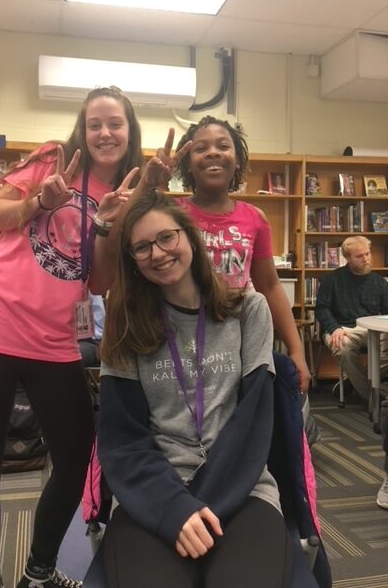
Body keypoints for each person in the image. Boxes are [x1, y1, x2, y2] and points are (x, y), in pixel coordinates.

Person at [0, 85, 144, 588]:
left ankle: (38, 571)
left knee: (77, 455)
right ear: (83, 127)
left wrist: (106, 226)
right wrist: (39, 200)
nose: (104, 132)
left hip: (53, 339)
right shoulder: (54, 159)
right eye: (95, 123)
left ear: (129, 131)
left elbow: (97, 282)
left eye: (115, 123)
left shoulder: (128, 193)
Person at [97, 191, 290, 588]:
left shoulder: (247, 310)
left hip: (242, 488)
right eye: (142, 247)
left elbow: (253, 426)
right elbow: (122, 440)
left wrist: (200, 506)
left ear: (189, 237)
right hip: (152, 493)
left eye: (166, 238)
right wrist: (174, 508)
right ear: (132, 261)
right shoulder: (126, 326)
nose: (158, 252)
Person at [169, 116, 310, 392]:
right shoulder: (171, 214)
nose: (213, 152)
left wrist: (297, 350)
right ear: (187, 162)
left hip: (240, 338)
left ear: (237, 160)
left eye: (223, 146)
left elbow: (270, 286)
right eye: (201, 148)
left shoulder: (254, 218)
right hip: (185, 335)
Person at [315, 235, 388, 403]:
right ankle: (373, 398)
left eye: (367, 254)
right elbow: (322, 308)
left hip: (372, 329)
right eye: (359, 256)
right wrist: (334, 328)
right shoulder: (332, 280)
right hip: (343, 329)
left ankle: (355, 381)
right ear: (347, 257)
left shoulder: (379, 282)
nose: (365, 259)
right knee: (343, 347)